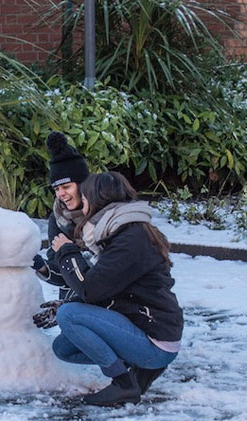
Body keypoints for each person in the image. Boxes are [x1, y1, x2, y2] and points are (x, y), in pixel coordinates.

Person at [36, 172, 183, 406]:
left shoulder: (130, 240)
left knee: (69, 315)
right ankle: (139, 370)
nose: (82, 208)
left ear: (97, 201)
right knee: (64, 348)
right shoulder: (123, 231)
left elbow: (90, 290)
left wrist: (66, 252)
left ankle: (123, 384)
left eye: (84, 200)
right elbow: (105, 287)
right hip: (145, 328)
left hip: (156, 340)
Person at [32, 131, 90, 299]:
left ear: (82, 184)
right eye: (57, 189)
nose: (61, 194)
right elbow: (63, 273)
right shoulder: (58, 218)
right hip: (74, 286)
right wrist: (42, 267)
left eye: (66, 186)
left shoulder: (104, 214)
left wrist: (68, 250)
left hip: (109, 290)